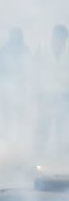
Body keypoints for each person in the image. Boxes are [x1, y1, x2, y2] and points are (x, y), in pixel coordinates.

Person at [35, 24, 69, 158]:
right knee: (44, 123)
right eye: (57, 38)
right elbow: (34, 70)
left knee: (60, 125)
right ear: (52, 38)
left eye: (62, 39)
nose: (59, 42)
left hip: (64, 94)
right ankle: (40, 153)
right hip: (46, 94)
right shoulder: (43, 51)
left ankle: (59, 154)